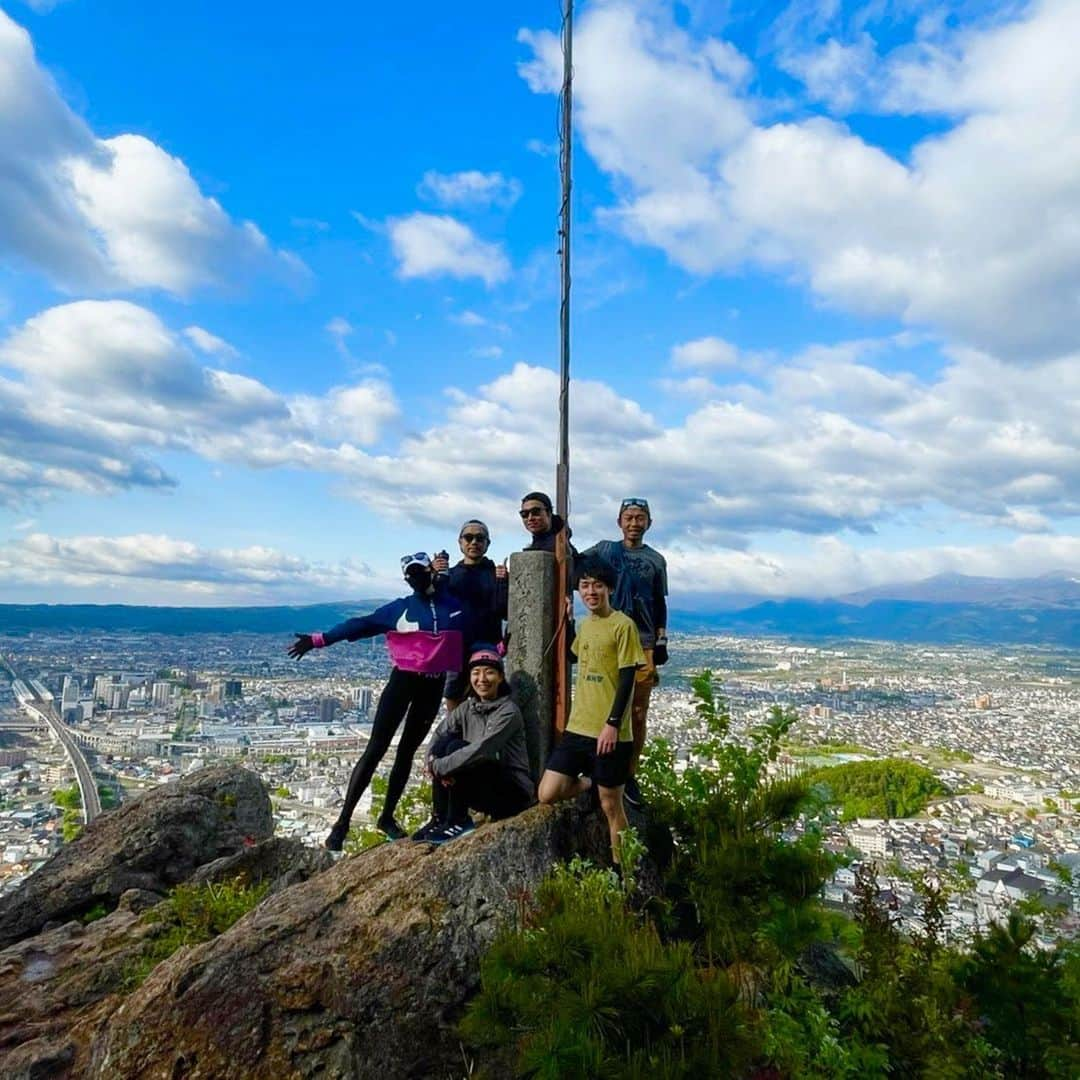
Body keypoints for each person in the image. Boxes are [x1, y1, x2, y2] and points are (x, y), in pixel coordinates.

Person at [288, 553, 465, 849]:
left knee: (407, 752)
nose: (414, 578)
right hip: (403, 681)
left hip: (433, 685)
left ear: (430, 571)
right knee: (375, 749)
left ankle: (386, 818)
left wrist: (497, 648)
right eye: (410, 575)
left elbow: (469, 630)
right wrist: (320, 640)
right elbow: (361, 624)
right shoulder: (401, 608)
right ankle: (341, 824)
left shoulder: (452, 605)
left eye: (419, 572)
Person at [537, 555, 644, 867]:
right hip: (578, 727)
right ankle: (590, 781)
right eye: (585, 586)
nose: (591, 591)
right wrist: (569, 621)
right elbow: (573, 656)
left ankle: (623, 869)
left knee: (611, 805)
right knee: (548, 792)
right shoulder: (587, 624)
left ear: (609, 588)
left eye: (597, 585)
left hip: (609, 732)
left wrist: (612, 724)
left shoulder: (623, 625)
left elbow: (628, 679)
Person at [581, 497, 668, 805]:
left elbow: (659, 601)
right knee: (600, 703)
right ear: (619, 521)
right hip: (607, 636)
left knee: (638, 712)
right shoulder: (605, 550)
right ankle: (596, 768)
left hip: (642, 640)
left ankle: (627, 774)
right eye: (629, 517)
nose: (634, 523)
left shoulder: (656, 560)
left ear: (649, 523)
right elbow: (575, 563)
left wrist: (661, 639)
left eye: (640, 517)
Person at [412, 645, 535, 845]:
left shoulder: (508, 712)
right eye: (476, 673)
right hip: (483, 783)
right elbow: (440, 733)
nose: (482, 679)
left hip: (513, 793)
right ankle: (441, 817)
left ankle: (459, 820)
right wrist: (430, 761)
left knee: (454, 749)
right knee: (444, 744)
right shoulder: (468, 707)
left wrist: (440, 767)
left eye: (490, 672)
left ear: (501, 677)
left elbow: (482, 750)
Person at [434, 520, 508, 712]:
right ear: (460, 542)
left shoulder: (496, 574)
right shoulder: (449, 575)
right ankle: (456, 734)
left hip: (487, 644)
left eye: (480, 538)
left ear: (487, 543)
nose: (474, 542)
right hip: (455, 646)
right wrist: (432, 575)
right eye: (468, 537)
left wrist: (503, 583)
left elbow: (504, 610)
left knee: (489, 695)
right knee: (453, 694)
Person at [519, 491, 576, 556]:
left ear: (549, 513)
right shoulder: (559, 532)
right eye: (524, 514)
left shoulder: (557, 543)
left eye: (536, 512)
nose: (530, 518)